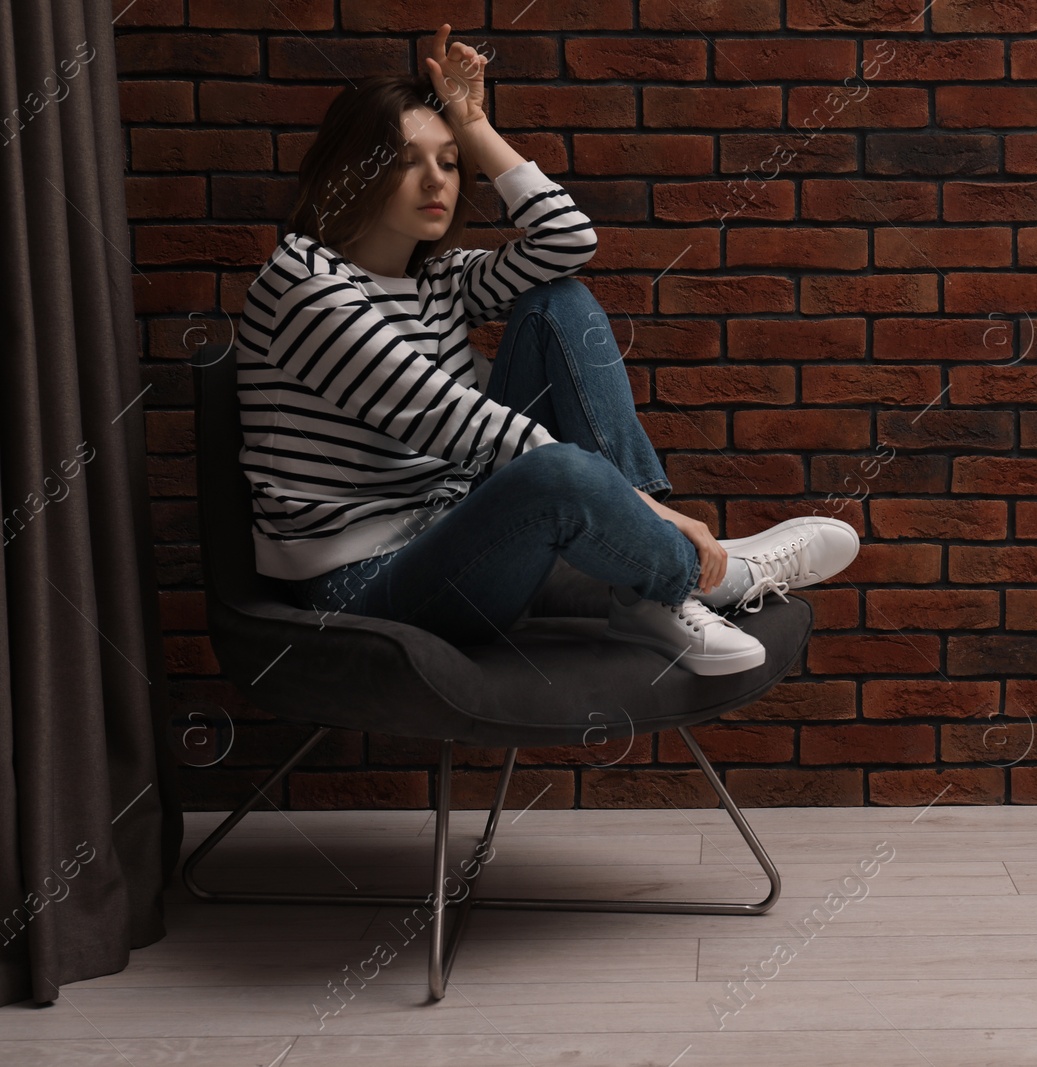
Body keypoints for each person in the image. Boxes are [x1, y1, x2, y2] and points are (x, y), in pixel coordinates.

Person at [235, 24, 857, 675]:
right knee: (553, 471)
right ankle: (693, 578)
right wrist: (662, 517)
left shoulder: (440, 279)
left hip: (466, 533)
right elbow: (467, 426)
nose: (435, 181)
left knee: (561, 303)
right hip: (366, 588)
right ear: (352, 168)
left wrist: (473, 122)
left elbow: (568, 241)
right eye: (402, 160)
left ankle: (643, 586)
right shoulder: (302, 284)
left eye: (448, 161)